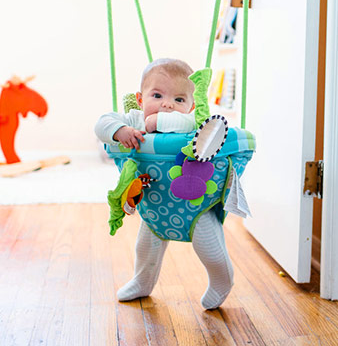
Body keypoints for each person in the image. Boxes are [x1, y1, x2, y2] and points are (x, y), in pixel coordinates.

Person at [94, 58, 234, 309]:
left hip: (194, 204)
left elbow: (183, 123)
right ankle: (142, 282)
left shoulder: (193, 125)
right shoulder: (134, 120)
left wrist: (156, 122)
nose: (168, 104)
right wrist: (120, 131)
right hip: (154, 205)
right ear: (140, 99)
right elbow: (102, 124)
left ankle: (221, 281)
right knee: (145, 248)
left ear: (191, 107)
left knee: (210, 249)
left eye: (179, 100)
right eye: (157, 95)